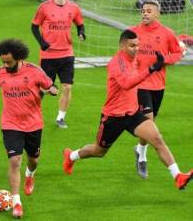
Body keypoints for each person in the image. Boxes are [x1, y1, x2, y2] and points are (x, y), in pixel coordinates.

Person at [62, 30, 193, 190]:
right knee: (99, 151)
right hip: (113, 117)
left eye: (138, 45)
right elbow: (126, 83)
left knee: (157, 139)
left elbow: (153, 59)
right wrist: (151, 70)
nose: (136, 48)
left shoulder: (134, 58)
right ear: (122, 46)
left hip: (132, 113)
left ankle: (178, 176)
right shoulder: (116, 63)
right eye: (132, 46)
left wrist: (169, 56)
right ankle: (71, 156)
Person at [0, 39, 58, 218]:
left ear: (19, 58)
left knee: (34, 159)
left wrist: (52, 90)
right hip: (10, 123)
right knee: (14, 161)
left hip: (33, 124)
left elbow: (51, 86)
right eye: (3, 62)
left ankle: (30, 175)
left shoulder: (34, 71)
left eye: (9, 62)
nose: (5, 65)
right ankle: (17, 202)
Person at [130, 0, 184, 179]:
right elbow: (123, 54)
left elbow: (178, 53)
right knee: (148, 120)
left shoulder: (166, 33)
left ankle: (138, 148)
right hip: (140, 84)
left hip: (158, 86)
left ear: (157, 14)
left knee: (149, 125)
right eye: (143, 11)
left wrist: (164, 61)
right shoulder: (133, 32)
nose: (145, 13)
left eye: (149, 11)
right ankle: (143, 158)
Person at [31, 0, 85, 129]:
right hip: (48, 56)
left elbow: (80, 24)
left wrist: (81, 33)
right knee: (43, 88)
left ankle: (60, 118)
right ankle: (32, 114)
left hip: (67, 54)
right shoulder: (44, 8)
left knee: (67, 86)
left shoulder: (73, 8)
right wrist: (42, 43)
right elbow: (34, 26)